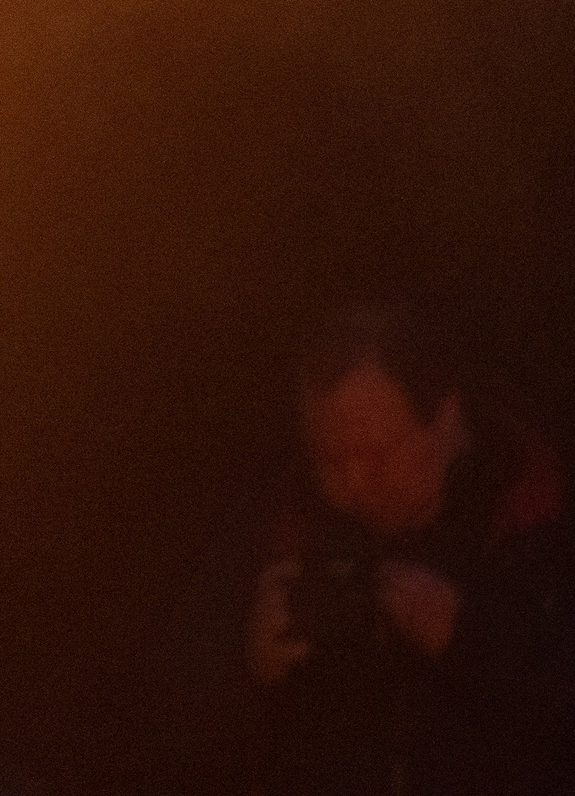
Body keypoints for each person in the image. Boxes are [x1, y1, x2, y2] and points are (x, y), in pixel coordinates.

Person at [159, 300, 575, 795]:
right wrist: (245, 664)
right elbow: (165, 713)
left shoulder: (539, 519)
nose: (353, 486)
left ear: (445, 419)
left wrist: (469, 639)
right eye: (331, 460)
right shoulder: (283, 521)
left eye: (378, 455)